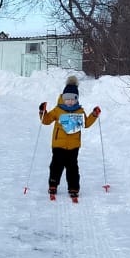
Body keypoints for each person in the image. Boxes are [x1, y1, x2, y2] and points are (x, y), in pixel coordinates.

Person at [38, 74, 102, 202]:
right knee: (56, 166)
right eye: (67, 98)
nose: (70, 101)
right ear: (63, 97)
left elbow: (86, 123)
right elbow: (46, 121)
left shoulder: (79, 111)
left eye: (73, 99)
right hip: (58, 144)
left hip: (73, 145)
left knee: (72, 167)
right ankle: (53, 185)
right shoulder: (57, 110)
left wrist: (94, 115)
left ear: (77, 99)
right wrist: (42, 111)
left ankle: (73, 188)